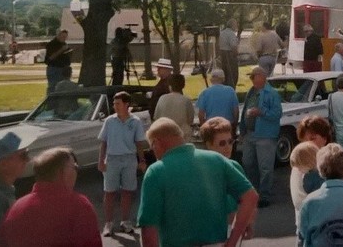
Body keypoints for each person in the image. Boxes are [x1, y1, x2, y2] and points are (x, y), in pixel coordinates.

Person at [137, 118, 258, 247]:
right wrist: (233, 241)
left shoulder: (156, 171)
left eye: (151, 147)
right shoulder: (217, 160)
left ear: (156, 143)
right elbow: (250, 196)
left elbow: (149, 228)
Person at [0, 147, 102, 247]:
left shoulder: (16, 208)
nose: (76, 172)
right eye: (74, 167)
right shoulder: (78, 205)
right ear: (63, 173)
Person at [98, 91, 147, 236]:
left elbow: (139, 143)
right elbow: (103, 142)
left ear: (127, 105)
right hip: (112, 158)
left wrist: (142, 160)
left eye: (118, 103)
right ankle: (108, 223)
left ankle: (125, 221)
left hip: (129, 159)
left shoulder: (135, 121)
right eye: (114, 103)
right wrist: (101, 160)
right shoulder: (109, 121)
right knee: (110, 192)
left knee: (127, 191)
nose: (115, 106)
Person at [199, 117, 251, 234]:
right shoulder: (199, 169)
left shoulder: (234, 166)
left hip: (232, 228)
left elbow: (246, 198)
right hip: (208, 230)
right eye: (222, 143)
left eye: (230, 141)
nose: (228, 147)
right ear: (209, 145)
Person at [240, 66, 282, 208]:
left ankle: (264, 195)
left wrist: (261, 112)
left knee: (265, 167)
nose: (251, 79)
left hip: (265, 135)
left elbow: (276, 114)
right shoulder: (251, 92)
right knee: (248, 163)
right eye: (251, 76)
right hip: (250, 134)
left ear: (262, 77)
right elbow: (245, 110)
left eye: (254, 76)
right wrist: (242, 130)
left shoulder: (272, 94)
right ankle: (253, 191)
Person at [290, 142, 322, 245]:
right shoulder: (319, 176)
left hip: (308, 222)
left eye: (299, 166)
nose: (298, 170)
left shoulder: (311, 178)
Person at [154, 73, 195, 139]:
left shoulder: (162, 98)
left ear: (169, 86)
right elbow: (190, 119)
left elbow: (156, 116)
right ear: (183, 86)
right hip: (182, 134)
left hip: (165, 133)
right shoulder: (186, 100)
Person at [219, 19, 240, 87]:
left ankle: (224, 88)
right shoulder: (231, 34)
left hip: (222, 54)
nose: (237, 26)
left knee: (225, 73)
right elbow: (233, 46)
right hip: (229, 55)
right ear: (232, 25)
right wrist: (236, 55)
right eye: (236, 24)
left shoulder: (222, 33)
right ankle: (231, 89)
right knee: (232, 74)